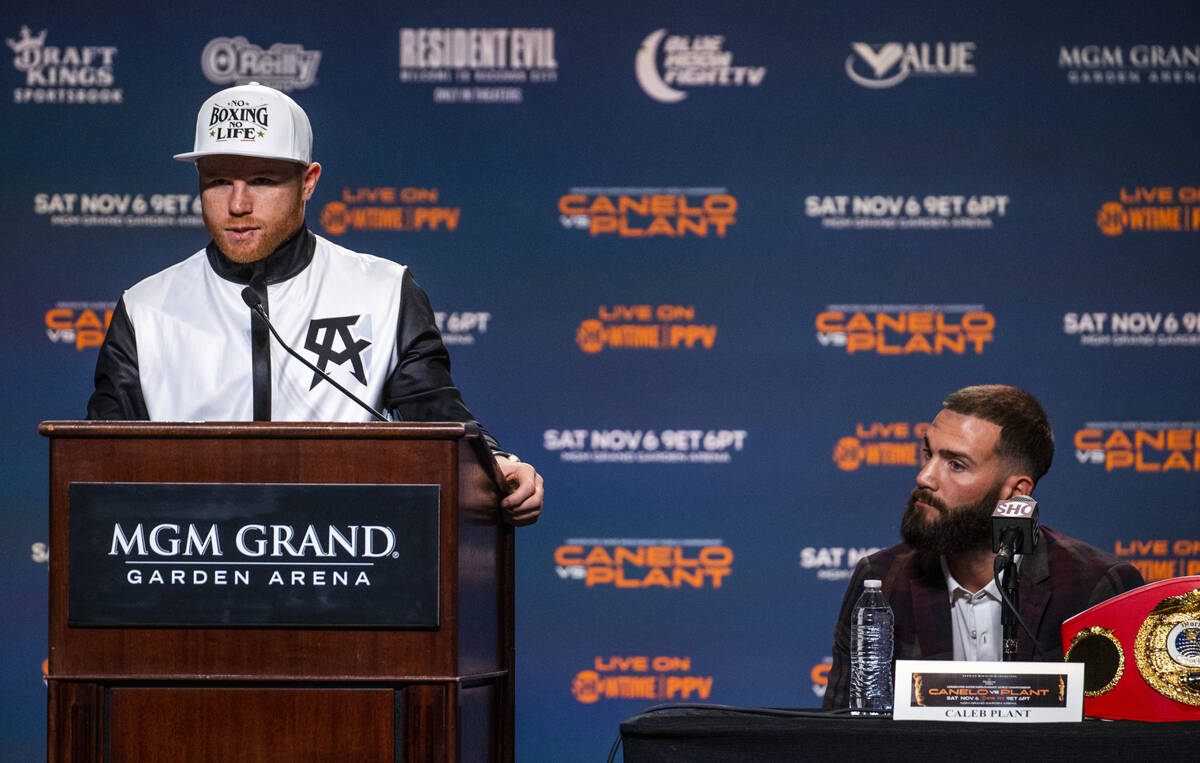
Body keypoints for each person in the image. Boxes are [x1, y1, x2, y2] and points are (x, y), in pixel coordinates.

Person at [86, 81, 542, 526]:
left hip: (346, 563)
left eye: (263, 181)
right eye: (219, 181)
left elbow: (437, 413)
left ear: (308, 182)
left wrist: (497, 464)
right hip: (190, 564)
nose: (238, 204)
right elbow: (97, 465)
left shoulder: (382, 289)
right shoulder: (145, 307)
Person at [822, 384, 1142, 709]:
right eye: (928, 454)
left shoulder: (1096, 587)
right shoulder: (882, 581)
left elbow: (1122, 739)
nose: (924, 476)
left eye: (956, 465)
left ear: (1015, 492)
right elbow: (840, 735)